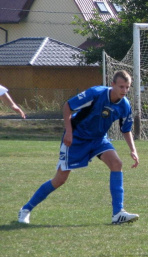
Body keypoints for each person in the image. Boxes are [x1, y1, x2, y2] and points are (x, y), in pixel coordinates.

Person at [18, 70, 140, 224]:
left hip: (98, 139)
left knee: (117, 163)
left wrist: (133, 150)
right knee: (60, 179)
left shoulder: (125, 105)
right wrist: (69, 132)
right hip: (77, 138)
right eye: (121, 87)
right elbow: (68, 106)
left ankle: (118, 213)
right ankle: (26, 209)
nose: (124, 91)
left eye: (127, 87)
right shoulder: (95, 93)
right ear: (113, 84)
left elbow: (126, 129)